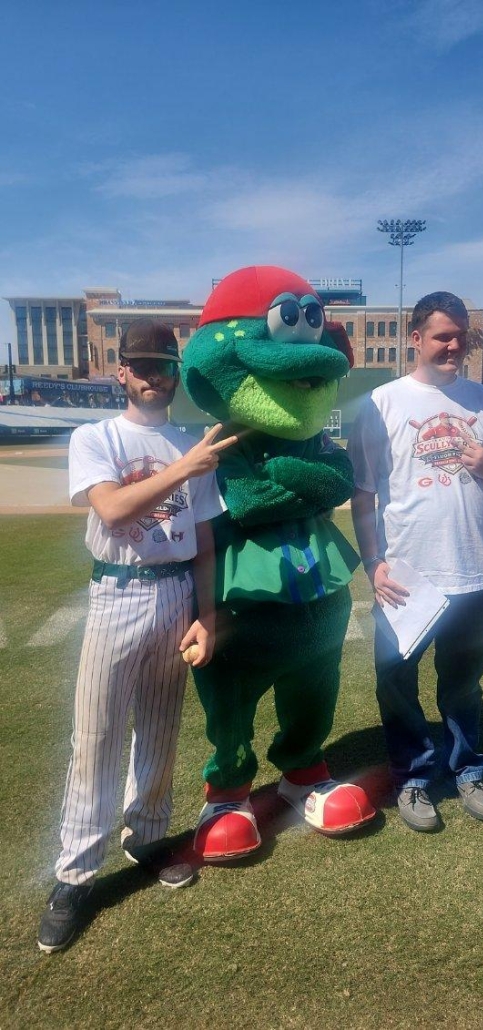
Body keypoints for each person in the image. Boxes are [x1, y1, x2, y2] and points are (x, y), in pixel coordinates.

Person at [37, 320, 237, 954]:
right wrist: (188, 465)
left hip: (178, 592)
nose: (154, 375)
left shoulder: (190, 442)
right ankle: (73, 876)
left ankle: (147, 836)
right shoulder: (96, 436)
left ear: (176, 373)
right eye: (142, 365)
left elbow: (203, 539)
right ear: (121, 371)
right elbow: (115, 510)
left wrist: (207, 613)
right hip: (117, 591)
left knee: (159, 727)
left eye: (164, 365)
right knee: (95, 738)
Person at [348, 292, 483, 833]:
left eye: (460, 336)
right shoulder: (381, 404)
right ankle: (415, 778)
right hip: (407, 573)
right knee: (396, 678)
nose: (453, 345)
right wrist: (372, 563)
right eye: (443, 336)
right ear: (416, 338)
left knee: (463, 681)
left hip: (477, 568)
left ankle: (468, 769)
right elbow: (362, 494)